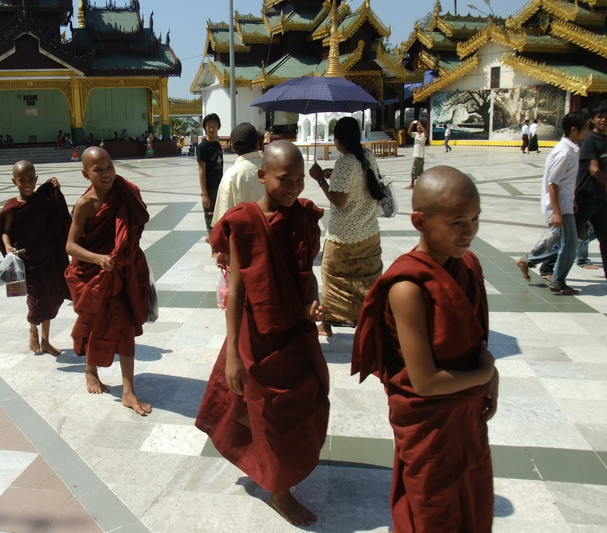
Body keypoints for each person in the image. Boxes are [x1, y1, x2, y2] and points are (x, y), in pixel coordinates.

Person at [352, 166, 499, 533]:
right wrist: (486, 373)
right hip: (430, 426)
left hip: (466, 417)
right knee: (433, 512)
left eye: (475, 219)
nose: (469, 232)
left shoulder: (469, 265)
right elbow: (425, 382)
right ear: (419, 221)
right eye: (457, 222)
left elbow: (473, 338)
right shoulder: (408, 287)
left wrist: (486, 375)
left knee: (473, 499)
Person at [196, 141, 329, 526]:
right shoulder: (246, 223)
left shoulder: (303, 216)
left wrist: (313, 304)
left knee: (306, 404)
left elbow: (307, 275)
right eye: (285, 179)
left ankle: (281, 473)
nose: (294, 188)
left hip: (296, 332)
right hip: (257, 337)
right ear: (262, 176)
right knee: (268, 414)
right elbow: (237, 291)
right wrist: (233, 356)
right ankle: (279, 491)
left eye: (299, 180)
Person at [65, 147, 152, 416]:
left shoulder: (126, 192)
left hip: (125, 269)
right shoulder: (85, 204)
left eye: (109, 167)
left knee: (125, 326)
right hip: (97, 273)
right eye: (98, 170)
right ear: (85, 174)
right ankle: (90, 370)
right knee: (94, 322)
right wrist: (98, 258)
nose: (107, 174)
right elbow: (70, 246)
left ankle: (128, 391)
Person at [308, 117, 383, 336]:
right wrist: (334, 174)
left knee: (332, 277)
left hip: (344, 236)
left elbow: (338, 200)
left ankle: (327, 324)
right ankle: (370, 319)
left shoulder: (345, 162)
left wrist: (320, 180)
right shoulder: (367, 155)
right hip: (369, 232)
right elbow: (361, 179)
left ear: (338, 140)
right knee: (367, 280)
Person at [0, 160, 71, 355]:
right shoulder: (12, 207)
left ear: (36, 179)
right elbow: (5, 232)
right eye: (22, 180)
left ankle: (46, 340)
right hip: (28, 261)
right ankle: (33, 328)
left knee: (52, 298)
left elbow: (59, 218)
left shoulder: (43, 203)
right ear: (14, 181)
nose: (27, 184)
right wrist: (7, 246)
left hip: (49, 258)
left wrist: (56, 191)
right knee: (37, 299)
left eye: (31, 179)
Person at [515, 110, 592, 294]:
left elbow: (563, 183)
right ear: (574, 130)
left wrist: (571, 200)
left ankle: (529, 261)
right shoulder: (564, 153)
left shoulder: (572, 149)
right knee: (569, 246)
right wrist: (557, 212)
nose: (588, 131)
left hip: (565, 204)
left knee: (565, 243)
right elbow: (553, 183)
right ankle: (557, 282)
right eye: (585, 128)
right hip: (559, 207)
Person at [210, 122, 264, 235]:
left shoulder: (231, 175)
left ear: (233, 148)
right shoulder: (272, 166)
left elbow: (222, 221)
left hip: (244, 240)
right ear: (257, 144)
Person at [574, 101, 607, 281]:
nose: (603, 120)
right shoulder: (589, 140)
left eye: (606, 117)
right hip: (585, 196)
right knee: (569, 238)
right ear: (593, 119)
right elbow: (594, 170)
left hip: (601, 197)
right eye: (600, 116)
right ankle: (535, 261)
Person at [197, 113, 224, 239]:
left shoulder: (217, 144)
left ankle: (212, 240)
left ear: (219, 127)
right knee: (210, 220)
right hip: (210, 189)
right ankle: (213, 246)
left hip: (220, 187)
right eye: (208, 125)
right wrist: (204, 194)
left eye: (214, 125)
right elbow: (201, 170)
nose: (212, 128)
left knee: (219, 218)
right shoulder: (202, 147)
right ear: (205, 128)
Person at [405, 119, 426, 189]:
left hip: (419, 155)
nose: (418, 127)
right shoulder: (416, 134)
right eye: (417, 126)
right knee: (420, 170)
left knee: (414, 169)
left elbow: (426, 133)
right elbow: (409, 132)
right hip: (416, 154)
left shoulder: (423, 134)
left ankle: (412, 183)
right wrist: (411, 126)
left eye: (419, 126)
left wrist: (421, 125)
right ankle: (422, 183)